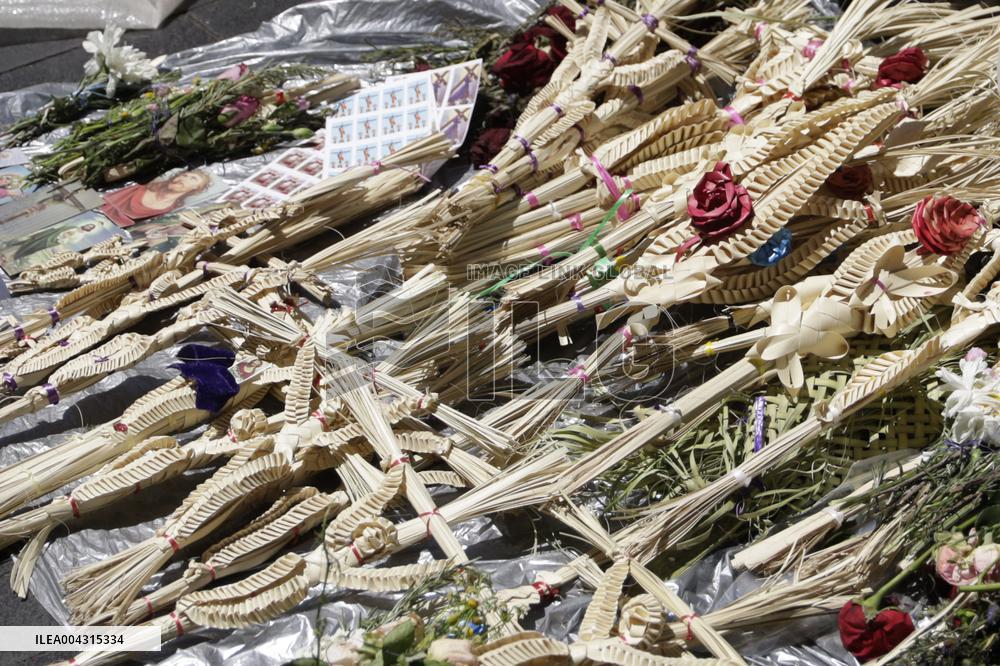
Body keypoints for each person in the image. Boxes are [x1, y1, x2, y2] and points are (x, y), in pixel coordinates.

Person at [101, 169, 211, 227]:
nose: (184, 178)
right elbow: (102, 202)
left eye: (193, 179)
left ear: (196, 188)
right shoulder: (141, 187)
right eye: (184, 175)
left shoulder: (172, 211)